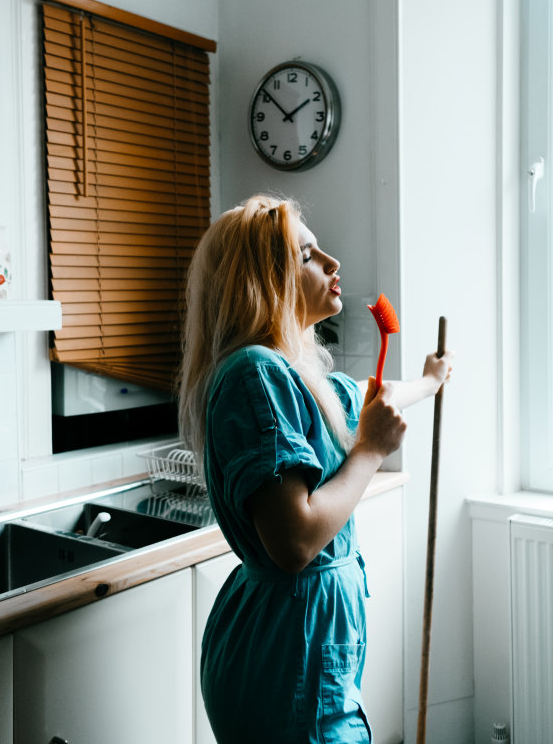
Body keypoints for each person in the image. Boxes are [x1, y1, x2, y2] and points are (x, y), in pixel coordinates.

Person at [178, 194, 453, 744]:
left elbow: (373, 395)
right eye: (308, 255)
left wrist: (431, 380)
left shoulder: (295, 374)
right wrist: (371, 452)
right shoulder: (255, 374)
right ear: (265, 280)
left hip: (304, 640)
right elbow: (295, 541)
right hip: (286, 650)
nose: (333, 262)